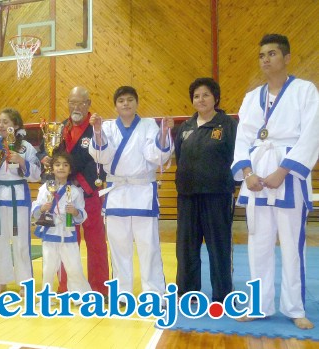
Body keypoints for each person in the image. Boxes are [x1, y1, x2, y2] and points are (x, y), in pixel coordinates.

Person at [231, 34, 319, 329]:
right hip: (256, 175)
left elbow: (311, 134)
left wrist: (283, 171)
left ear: (287, 57)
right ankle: (259, 305)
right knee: (258, 244)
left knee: (292, 245)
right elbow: (242, 138)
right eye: (262, 55)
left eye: (271, 54)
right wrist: (247, 173)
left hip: (289, 175)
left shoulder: (305, 91)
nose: (265, 59)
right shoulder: (251, 97)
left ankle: (295, 308)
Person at [89, 86, 173, 304]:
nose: (125, 104)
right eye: (121, 101)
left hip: (142, 189)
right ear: (115, 105)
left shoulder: (148, 125)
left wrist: (163, 134)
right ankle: (122, 292)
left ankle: (154, 293)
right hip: (117, 192)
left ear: (136, 103)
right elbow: (102, 157)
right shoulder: (106, 126)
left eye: (129, 100)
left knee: (149, 246)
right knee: (119, 247)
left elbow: (155, 156)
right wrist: (97, 133)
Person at [37, 86, 109, 297]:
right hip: (63, 194)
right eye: (72, 102)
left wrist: (78, 178)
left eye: (80, 103)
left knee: (96, 242)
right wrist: (45, 157)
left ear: (88, 104)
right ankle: (66, 288)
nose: (76, 107)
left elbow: (101, 159)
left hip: (88, 191)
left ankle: (100, 287)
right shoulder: (59, 128)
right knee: (65, 240)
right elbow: (44, 149)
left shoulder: (96, 129)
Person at [174, 78, 237, 303]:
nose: (201, 99)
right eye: (197, 96)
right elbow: (180, 158)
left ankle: (223, 295)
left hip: (217, 195)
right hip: (188, 196)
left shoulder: (227, 125)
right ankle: (188, 293)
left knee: (218, 246)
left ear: (216, 98)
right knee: (186, 247)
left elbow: (236, 157)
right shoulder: (185, 127)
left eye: (206, 95)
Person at [0, 108, 41, 295]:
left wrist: (21, 161)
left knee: (20, 241)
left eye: (6, 122)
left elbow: (36, 173)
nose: (1, 126)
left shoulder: (26, 147)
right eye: (0, 122)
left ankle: (24, 284)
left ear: (16, 125)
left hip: (18, 196)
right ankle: (2, 281)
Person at [32, 151, 92, 299]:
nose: (61, 168)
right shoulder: (44, 189)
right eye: (57, 165)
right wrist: (42, 209)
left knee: (74, 267)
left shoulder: (76, 191)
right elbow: (35, 210)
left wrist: (76, 212)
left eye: (65, 165)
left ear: (70, 170)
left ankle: (80, 296)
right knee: (48, 268)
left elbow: (82, 215)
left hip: (68, 232)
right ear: (52, 168)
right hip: (50, 232)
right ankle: (46, 297)